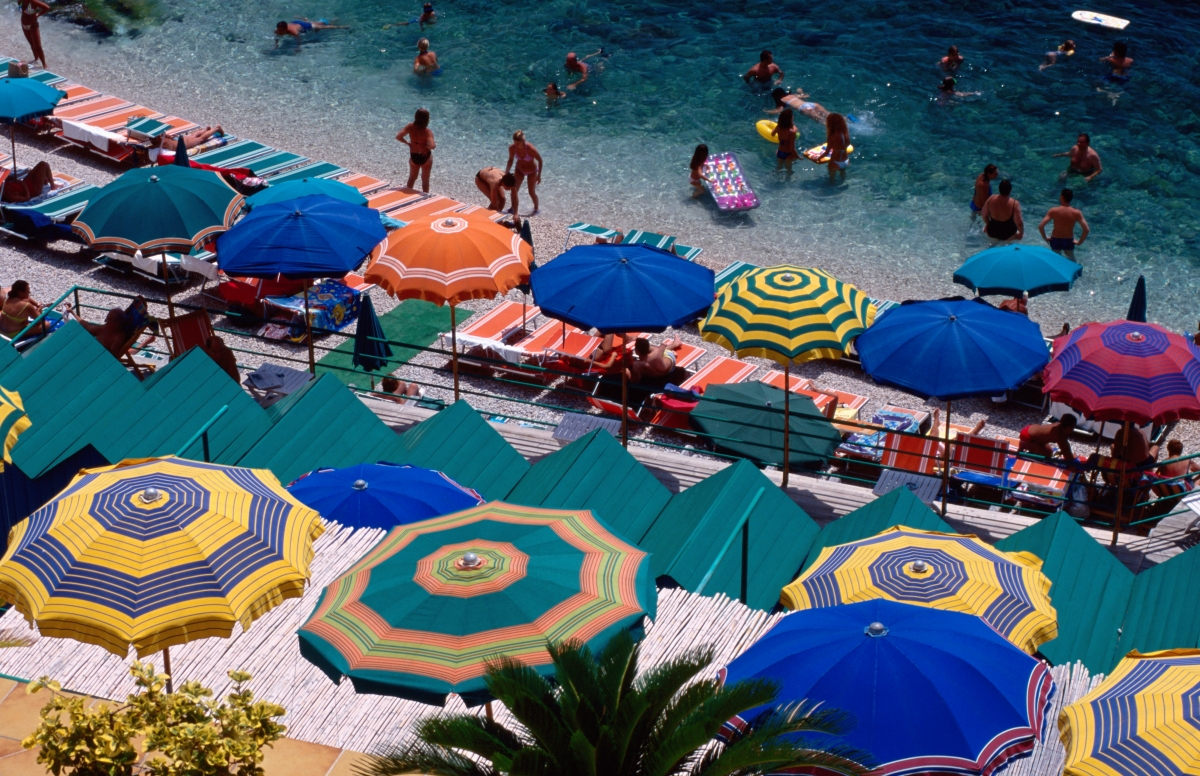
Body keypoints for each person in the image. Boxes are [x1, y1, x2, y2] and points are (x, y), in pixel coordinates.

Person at [1038, 189, 1089, 260]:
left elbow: (1041, 226)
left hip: (1056, 239)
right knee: (1071, 259)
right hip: (1069, 240)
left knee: (1055, 260)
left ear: (1062, 197)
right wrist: (1079, 242)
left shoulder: (1054, 210)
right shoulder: (1076, 213)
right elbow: (1086, 229)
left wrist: (1045, 238)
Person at [396, 108, 435, 193]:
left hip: (414, 156)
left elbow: (398, 136)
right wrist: (427, 147)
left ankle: (407, 194)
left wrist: (407, 143)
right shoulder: (427, 132)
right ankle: (425, 197)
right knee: (425, 180)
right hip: (425, 157)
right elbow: (432, 146)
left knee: (412, 178)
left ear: (415, 116)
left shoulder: (410, 127)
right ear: (427, 119)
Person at [505, 130, 543, 215]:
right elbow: (510, 160)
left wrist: (539, 175)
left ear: (523, 141)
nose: (516, 145)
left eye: (518, 143)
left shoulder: (530, 149)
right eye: (515, 142)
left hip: (532, 171)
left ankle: (536, 209)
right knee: (514, 189)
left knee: (531, 192)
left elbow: (540, 161)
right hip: (519, 170)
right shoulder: (512, 148)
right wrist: (506, 171)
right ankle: (512, 208)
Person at [18, 0, 49, 69]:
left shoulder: (33, 1)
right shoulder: (20, 1)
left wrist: (38, 15)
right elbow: (22, 12)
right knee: (31, 44)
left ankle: (44, 65)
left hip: (33, 25)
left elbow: (46, 7)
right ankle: (36, 59)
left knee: (38, 46)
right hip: (24, 25)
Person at [770, 109, 799, 173]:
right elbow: (792, 148)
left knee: (779, 167)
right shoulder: (792, 132)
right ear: (791, 118)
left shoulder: (778, 127)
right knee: (788, 169)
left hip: (780, 152)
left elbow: (772, 134)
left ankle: (775, 175)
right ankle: (788, 177)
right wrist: (797, 156)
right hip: (788, 154)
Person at [825, 113, 850, 184]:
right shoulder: (846, 135)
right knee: (843, 175)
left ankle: (832, 186)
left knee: (832, 180)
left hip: (835, 162)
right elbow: (847, 145)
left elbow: (827, 152)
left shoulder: (832, 136)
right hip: (845, 161)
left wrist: (818, 158)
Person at [275, 19, 346, 40]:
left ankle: (341, 27)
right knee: (320, 23)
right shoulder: (277, 31)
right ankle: (333, 20)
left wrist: (297, 48)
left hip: (302, 25)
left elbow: (298, 39)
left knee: (322, 27)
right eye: (279, 29)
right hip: (294, 22)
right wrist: (276, 46)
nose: (279, 32)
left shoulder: (293, 31)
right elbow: (277, 38)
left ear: (286, 29)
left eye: (281, 30)